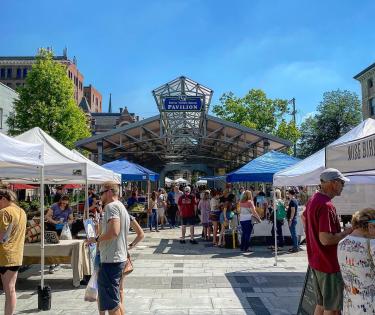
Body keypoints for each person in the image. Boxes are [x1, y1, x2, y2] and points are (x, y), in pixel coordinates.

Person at [304, 168, 352, 315]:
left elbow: (303, 216)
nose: (343, 186)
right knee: (332, 308)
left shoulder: (314, 199)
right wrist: (347, 232)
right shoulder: (326, 205)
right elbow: (325, 239)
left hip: (316, 261)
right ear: (333, 183)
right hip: (328, 264)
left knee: (322, 304)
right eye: (342, 182)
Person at [87, 182, 130, 315]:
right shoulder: (121, 206)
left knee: (112, 304)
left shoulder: (111, 207)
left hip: (111, 259)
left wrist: (96, 239)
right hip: (118, 258)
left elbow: (114, 231)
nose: (100, 197)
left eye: (101, 193)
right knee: (115, 301)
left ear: (110, 191)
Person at [337, 208, 375, 315]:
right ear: (370, 226)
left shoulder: (342, 243)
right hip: (370, 305)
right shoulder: (371, 244)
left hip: (350, 303)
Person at [0, 189, 26, 315]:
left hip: (4, 255)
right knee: (11, 289)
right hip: (16, 254)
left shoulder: (4, 212)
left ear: (3, 199)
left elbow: (1, 237)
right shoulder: (22, 211)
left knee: (9, 289)